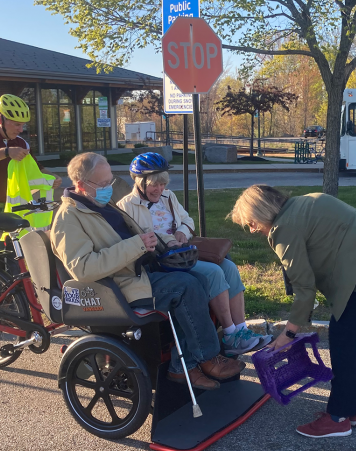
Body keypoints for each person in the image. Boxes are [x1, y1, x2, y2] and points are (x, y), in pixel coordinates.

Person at [229, 185, 356, 438]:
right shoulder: (305, 201)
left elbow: (305, 288)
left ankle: (338, 418)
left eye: (251, 222)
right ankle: (351, 408)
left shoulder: (284, 229)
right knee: (351, 333)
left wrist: (287, 334)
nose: (252, 230)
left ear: (262, 211)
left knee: (344, 335)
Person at [51, 152, 244, 390]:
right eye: (102, 184)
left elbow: (139, 233)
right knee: (188, 287)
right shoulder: (68, 218)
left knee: (199, 279)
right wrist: (138, 245)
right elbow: (83, 268)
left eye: (109, 182)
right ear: (80, 185)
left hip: (141, 273)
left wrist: (166, 240)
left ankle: (182, 367)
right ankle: (205, 358)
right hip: (119, 287)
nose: (108, 188)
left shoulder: (101, 205)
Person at [118, 153, 272, 355]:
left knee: (230, 268)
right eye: (155, 185)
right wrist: (168, 241)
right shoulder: (126, 206)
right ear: (139, 183)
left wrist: (182, 232)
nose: (160, 189)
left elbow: (187, 220)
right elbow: (137, 240)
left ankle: (242, 330)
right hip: (161, 261)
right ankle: (230, 335)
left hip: (182, 254)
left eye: (163, 183)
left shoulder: (168, 197)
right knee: (214, 272)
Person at [0, 94, 62, 248]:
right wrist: (6, 152)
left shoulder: (21, 143)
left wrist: (53, 177)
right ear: (0, 120)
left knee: (17, 252)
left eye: (23, 125)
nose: (21, 129)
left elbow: (38, 168)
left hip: (18, 205)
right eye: (17, 125)